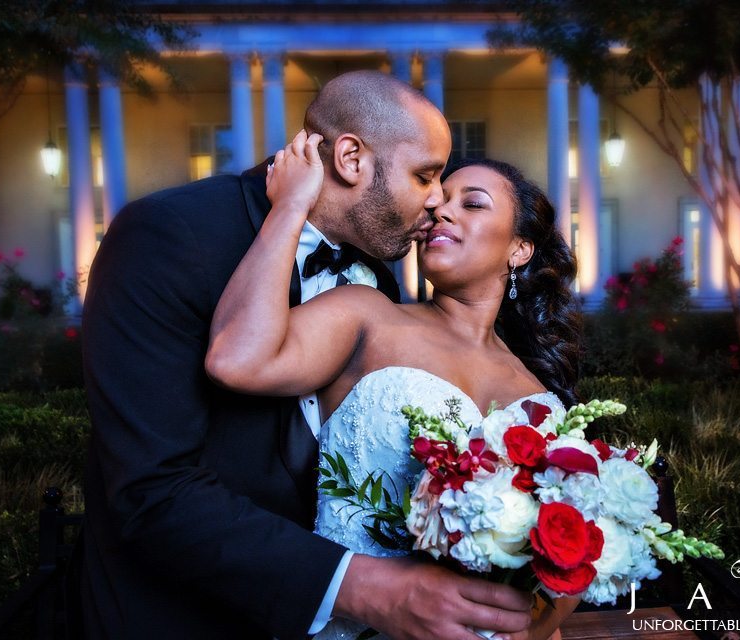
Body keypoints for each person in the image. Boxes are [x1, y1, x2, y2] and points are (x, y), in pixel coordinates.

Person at [77, 70, 534, 639]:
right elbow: (151, 490)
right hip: (179, 619)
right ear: (350, 158)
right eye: (426, 175)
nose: (439, 199)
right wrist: (362, 588)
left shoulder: (377, 283)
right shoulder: (170, 234)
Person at [206, 131, 584, 639]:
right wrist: (290, 208)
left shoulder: (538, 393)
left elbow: (571, 559)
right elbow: (236, 359)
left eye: (471, 203)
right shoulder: (366, 315)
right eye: (438, 201)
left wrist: (528, 631)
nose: (440, 213)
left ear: (519, 248)